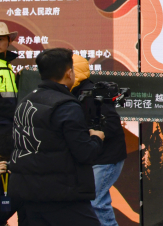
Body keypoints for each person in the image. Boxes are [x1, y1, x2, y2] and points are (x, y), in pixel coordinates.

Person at [9, 48, 105, 226]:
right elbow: (84, 153)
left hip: (28, 194)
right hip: (62, 195)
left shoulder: (25, 101)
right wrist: (96, 138)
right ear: (69, 73)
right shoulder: (66, 106)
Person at [72, 55, 127, 226]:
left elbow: (112, 125)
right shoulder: (78, 92)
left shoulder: (90, 94)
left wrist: (91, 134)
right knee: (93, 201)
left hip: (106, 158)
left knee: (96, 202)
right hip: (96, 157)